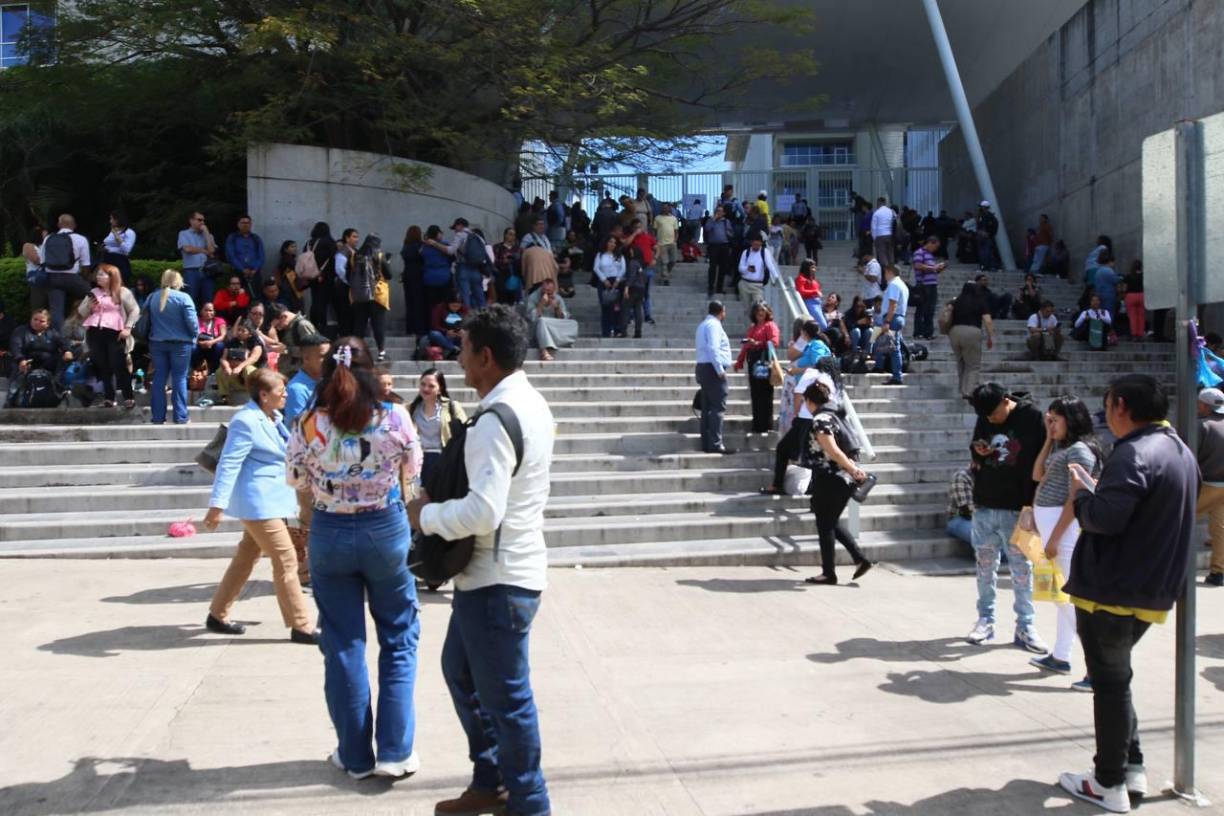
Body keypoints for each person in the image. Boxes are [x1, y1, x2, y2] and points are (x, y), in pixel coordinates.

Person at [405, 306, 555, 815]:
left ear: (486, 356)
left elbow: (484, 511)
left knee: (508, 702)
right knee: (462, 673)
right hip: (496, 577)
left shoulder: (496, 420)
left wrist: (425, 516)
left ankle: (530, 804)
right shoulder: (530, 402)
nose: (459, 360)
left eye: (464, 350)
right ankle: (490, 780)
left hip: (499, 582)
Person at [1057, 374, 1199, 812]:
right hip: (1148, 587)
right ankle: (1130, 765)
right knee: (1117, 682)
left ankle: (1108, 781)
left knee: (1110, 685)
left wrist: (1081, 495)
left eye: (1108, 408)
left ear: (1120, 405)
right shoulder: (1179, 451)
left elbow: (1105, 519)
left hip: (1112, 589)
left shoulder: (1132, 453)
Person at [288, 337, 424, 780]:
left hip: (329, 531)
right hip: (384, 527)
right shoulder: (395, 416)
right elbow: (413, 472)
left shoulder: (308, 421)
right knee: (399, 638)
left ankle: (354, 755)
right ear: (372, 372)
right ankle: (395, 752)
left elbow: (295, 478)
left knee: (343, 643)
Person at [203, 367, 317, 644]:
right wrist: (217, 505)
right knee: (287, 559)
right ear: (264, 395)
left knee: (246, 557)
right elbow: (229, 462)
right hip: (257, 503)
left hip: (272, 500)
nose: (285, 395)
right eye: (281, 392)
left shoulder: (273, 417)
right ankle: (301, 626)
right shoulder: (246, 421)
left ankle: (217, 614)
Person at [965, 383, 1047, 651]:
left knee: (1022, 569)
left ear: (1005, 401)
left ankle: (1025, 625)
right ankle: (985, 620)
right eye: (985, 417)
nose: (990, 420)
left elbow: (1043, 458)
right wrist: (978, 449)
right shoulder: (985, 415)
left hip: (1020, 506)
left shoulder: (1032, 417)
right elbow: (976, 447)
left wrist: (1035, 504)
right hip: (985, 502)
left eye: (993, 414)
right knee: (984, 566)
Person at [1028, 396, 1103, 676]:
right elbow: (1038, 475)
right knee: (1060, 596)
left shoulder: (1080, 451)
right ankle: (1061, 655)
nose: (1052, 424)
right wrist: (1048, 438)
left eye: (1056, 420)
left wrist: (1055, 538)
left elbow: (1076, 499)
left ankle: (1098, 665)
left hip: (1063, 530)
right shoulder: (1063, 447)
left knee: (1067, 598)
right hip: (1052, 526)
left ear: (1071, 420)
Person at [801, 381, 874, 585]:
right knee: (829, 521)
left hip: (831, 478)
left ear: (809, 401)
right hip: (841, 479)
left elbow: (833, 450)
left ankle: (829, 573)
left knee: (825, 524)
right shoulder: (835, 415)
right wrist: (853, 469)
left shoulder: (821, 419)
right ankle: (860, 559)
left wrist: (852, 469)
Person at [77, 264, 140, 409]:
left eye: (102, 274)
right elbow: (81, 311)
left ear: (112, 277)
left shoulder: (122, 292)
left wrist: (128, 327)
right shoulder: (94, 292)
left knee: (119, 365)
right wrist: (90, 307)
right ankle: (109, 398)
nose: (98, 277)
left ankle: (128, 396)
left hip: (115, 332)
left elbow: (135, 310)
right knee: (103, 366)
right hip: (95, 331)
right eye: (98, 274)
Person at [147, 270, 198, 425]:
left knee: (159, 378)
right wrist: (195, 336)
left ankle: (157, 417)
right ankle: (181, 416)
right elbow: (192, 323)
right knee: (180, 378)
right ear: (178, 282)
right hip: (181, 344)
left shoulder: (152, 297)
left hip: (157, 342)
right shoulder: (184, 298)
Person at [408, 367, 467, 487]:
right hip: (418, 460)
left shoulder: (452, 407)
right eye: (423, 384)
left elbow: (465, 433)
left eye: (431, 386)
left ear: (440, 389)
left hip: (443, 459)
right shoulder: (412, 408)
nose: (425, 389)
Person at [6, 309, 72, 406]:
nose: (37, 322)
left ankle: (61, 394)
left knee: (63, 361)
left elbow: (63, 343)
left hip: (48, 363)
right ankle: (10, 401)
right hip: (26, 361)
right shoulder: (20, 331)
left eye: (41, 321)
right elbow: (16, 347)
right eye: (35, 319)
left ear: (48, 323)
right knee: (18, 372)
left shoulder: (52, 332)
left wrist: (67, 351)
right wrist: (21, 360)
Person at [40, 214, 93, 332]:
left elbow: (42, 261)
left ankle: (61, 339)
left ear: (59, 225)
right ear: (74, 225)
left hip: (52, 278)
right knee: (94, 297)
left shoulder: (48, 238)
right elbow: (85, 265)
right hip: (72, 277)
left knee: (56, 311)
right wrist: (85, 281)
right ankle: (83, 329)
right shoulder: (81, 239)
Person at [734, 302, 781, 434]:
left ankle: (766, 425)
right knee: (755, 394)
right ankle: (757, 424)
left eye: (763, 310)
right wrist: (740, 361)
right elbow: (746, 346)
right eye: (757, 311)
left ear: (767, 312)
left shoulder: (770, 325)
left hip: (764, 362)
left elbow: (774, 342)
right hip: (753, 362)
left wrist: (758, 343)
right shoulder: (753, 327)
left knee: (765, 394)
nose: (760, 313)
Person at [695, 301, 733, 455]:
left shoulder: (704, 324)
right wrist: (719, 370)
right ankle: (716, 443)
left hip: (704, 367)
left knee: (707, 407)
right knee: (717, 406)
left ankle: (707, 442)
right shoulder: (714, 325)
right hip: (712, 369)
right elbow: (713, 348)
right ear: (721, 311)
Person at [1196, 388, 1224, 587]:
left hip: (1208, 485)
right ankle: (1218, 572)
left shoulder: (1202, 426)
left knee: (1179, 521)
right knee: (1220, 530)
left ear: (1204, 405)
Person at [947, 281, 994, 399]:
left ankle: (962, 389)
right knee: (973, 365)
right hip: (972, 332)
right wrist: (990, 337)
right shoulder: (980, 301)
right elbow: (987, 321)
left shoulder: (955, 301)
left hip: (954, 332)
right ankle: (969, 391)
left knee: (961, 362)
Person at [348, 235, 392, 362]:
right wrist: (387, 262)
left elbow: (349, 274)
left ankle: (355, 352)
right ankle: (381, 352)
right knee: (378, 324)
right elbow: (388, 275)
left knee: (359, 324)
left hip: (358, 295)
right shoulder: (379, 255)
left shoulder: (355, 256)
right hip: (377, 295)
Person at [283, 333, 329, 426]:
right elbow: (296, 427)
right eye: (323, 356)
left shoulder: (328, 381)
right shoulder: (296, 389)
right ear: (306, 358)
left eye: (329, 355)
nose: (328, 360)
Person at [527, 277, 577, 361]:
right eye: (546, 291)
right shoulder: (533, 297)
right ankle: (544, 351)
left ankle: (559, 342)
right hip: (537, 329)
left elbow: (563, 318)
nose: (548, 293)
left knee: (573, 323)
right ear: (542, 290)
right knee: (542, 321)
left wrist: (557, 308)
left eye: (550, 291)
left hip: (553, 328)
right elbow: (532, 318)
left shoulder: (557, 298)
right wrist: (541, 304)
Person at [216, 319, 265, 404]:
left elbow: (254, 358)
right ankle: (225, 398)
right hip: (234, 374)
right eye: (238, 330)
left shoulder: (256, 343)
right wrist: (227, 367)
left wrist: (240, 367)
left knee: (249, 370)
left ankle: (253, 397)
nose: (239, 332)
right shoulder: (232, 342)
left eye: (243, 331)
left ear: (249, 333)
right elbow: (223, 358)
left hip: (251, 375)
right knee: (220, 371)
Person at [875, 265, 909, 387]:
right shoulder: (903, 285)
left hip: (893, 318)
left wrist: (887, 321)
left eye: (885, 273)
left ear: (889, 272)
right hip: (899, 317)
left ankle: (897, 376)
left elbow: (892, 304)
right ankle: (893, 372)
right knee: (895, 347)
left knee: (894, 349)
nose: (884, 275)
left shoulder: (894, 284)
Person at [177, 212, 217, 308]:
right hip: (191, 270)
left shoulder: (208, 235)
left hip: (207, 271)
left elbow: (211, 251)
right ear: (191, 221)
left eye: (203, 220)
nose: (202, 222)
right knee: (190, 298)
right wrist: (204, 250)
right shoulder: (183, 234)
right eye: (199, 220)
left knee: (208, 299)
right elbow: (187, 249)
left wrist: (206, 233)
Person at [268, 303, 319, 377]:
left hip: (301, 375)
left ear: (283, 316)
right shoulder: (291, 327)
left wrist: (287, 349)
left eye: (278, 325)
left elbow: (312, 351)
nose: (278, 329)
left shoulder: (302, 325)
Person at [305, 222, 338, 333]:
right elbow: (333, 260)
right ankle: (322, 327)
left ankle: (313, 326)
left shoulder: (309, 243)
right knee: (323, 302)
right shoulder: (329, 242)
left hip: (311, 277)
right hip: (325, 277)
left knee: (315, 301)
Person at [911, 236, 945, 340]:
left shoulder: (930, 255)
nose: (936, 249)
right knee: (922, 309)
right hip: (923, 285)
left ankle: (928, 332)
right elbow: (917, 265)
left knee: (930, 309)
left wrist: (938, 269)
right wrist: (933, 267)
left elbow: (930, 269)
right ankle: (918, 332)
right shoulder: (919, 252)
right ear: (930, 243)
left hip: (932, 284)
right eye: (935, 246)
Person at [224, 215, 266, 296]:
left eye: (248, 223)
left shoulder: (256, 238)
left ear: (251, 224)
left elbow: (261, 256)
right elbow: (231, 256)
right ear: (238, 224)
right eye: (243, 222)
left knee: (255, 295)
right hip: (238, 272)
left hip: (254, 273)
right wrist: (242, 269)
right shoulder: (232, 238)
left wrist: (255, 269)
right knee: (238, 296)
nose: (245, 225)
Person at [399, 226, 429, 339]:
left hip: (408, 275)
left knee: (410, 303)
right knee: (419, 303)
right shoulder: (420, 246)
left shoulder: (406, 246)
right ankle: (419, 328)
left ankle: (410, 328)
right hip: (419, 276)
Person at [737, 234, 776, 318]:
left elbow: (770, 265)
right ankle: (749, 329)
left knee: (759, 308)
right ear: (751, 243)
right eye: (755, 245)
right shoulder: (746, 252)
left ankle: (758, 329)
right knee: (747, 310)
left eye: (758, 245)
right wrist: (747, 268)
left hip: (757, 286)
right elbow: (740, 268)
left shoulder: (764, 252)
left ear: (761, 244)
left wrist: (775, 277)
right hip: (744, 284)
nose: (756, 247)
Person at [593, 236, 625, 339]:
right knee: (605, 307)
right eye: (610, 242)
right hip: (604, 282)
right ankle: (606, 331)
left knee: (617, 308)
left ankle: (618, 330)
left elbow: (623, 268)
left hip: (616, 282)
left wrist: (618, 280)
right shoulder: (600, 255)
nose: (612, 244)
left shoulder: (619, 256)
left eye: (614, 243)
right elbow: (596, 268)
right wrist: (603, 279)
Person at [420, 294, 467, 360]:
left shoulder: (464, 310)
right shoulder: (439, 308)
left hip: (457, 336)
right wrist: (446, 332)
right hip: (443, 336)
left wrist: (463, 331)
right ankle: (453, 348)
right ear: (448, 304)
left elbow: (469, 324)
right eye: (453, 306)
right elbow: (434, 325)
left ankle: (453, 351)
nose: (456, 308)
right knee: (434, 334)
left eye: (458, 306)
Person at [420, 225, 454, 315]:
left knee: (432, 305)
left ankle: (433, 325)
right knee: (446, 303)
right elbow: (452, 257)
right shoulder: (445, 244)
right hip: (444, 277)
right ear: (438, 234)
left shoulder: (424, 247)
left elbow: (421, 259)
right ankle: (446, 324)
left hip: (429, 278)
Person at [333, 228, 360, 334]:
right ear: (347, 238)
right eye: (354, 236)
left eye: (357, 237)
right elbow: (340, 269)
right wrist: (350, 282)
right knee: (345, 314)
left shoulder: (356, 251)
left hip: (353, 288)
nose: (356, 239)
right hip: (343, 287)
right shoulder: (343, 251)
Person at [101, 211, 136, 286]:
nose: (110, 221)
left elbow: (127, 250)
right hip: (107, 259)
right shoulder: (112, 231)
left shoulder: (129, 232)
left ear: (118, 220)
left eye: (112, 219)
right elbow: (107, 242)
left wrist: (117, 236)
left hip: (119, 261)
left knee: (118, 284)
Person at [704, 205, 732, 296]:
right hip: (713, 246)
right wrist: (713, 219)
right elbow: (707, 229)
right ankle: (711, 287)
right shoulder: (711, 220)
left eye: (721, 211)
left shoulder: (726, 222)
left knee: (722, 268)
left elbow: (731, 233)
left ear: (724, 213)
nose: (719, 213)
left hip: (724, 246)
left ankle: (719, 288)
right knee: (713, 267)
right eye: (717, 211)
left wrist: (728, 233)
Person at [492, 227, 523, 305]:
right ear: (505, 235)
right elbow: (493, 261)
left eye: (514, 235)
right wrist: (504, 261)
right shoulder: (498, 247)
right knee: (501, 300)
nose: (512, 237)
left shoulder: (517, 249)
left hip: (513, 276)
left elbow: (520, 262)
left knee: (512, 301)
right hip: (501, 277)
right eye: (510, 234)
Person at [946, 466, 975, 545]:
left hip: (986, 519)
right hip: (960, 519)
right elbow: (967, 512)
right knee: (983, 536)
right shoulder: (962, 476)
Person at [794, 259, 826, 328]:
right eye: (812, 267)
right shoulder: (801, 278)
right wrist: (815, 291)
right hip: (810, 302)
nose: (814, 270)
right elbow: (801, 291)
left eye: (815, 267)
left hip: (817, 303)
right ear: (806, 268)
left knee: (821, 325)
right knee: (822, 325)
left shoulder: (812, 279)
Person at [652, 202, 679, 285]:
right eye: (663, 207)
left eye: (666, 207)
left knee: (673, 260)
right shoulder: (657, 218)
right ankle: (665, 279)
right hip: (661, 243)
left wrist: (675, 240)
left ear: (669, 208)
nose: (665, 209)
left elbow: (676, 231)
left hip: (672, 243)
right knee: (664, 262)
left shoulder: (674, 218)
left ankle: (666, 273)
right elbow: (654, 231)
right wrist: (655, 241)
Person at [1122, 260, 1145, 340]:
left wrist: (1124, 296)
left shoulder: (1128, 276)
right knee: (1141, 316)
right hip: (1141, 296)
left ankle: (1134, 334)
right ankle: (1140, 334)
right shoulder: (1143, 276)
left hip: (1130, 296)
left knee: (1132, 316)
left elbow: (1124, 288)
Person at [870, 197, 895, 267]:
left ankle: (886, 269)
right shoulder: (891, 211)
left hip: (880, 235)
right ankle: (892, 267)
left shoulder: (876, 213)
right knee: (890, 252)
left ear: (878, 203)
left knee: (882, 253)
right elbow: (895, 222)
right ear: (885, 203)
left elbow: (873, 227)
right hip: (890, 234)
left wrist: (874, 238)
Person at [976, 201, 1000, 272]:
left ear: (985, 207)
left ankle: (991, 266)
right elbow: (979, 226)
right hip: (981, 237)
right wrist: (979, 232)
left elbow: (994, 226)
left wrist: (989, 233)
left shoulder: (990, 216)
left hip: (987, 237)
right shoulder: (981, 215)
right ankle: (984, 266)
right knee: (982, 252)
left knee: (988, 252)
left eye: (981, 207)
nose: (980, 208)